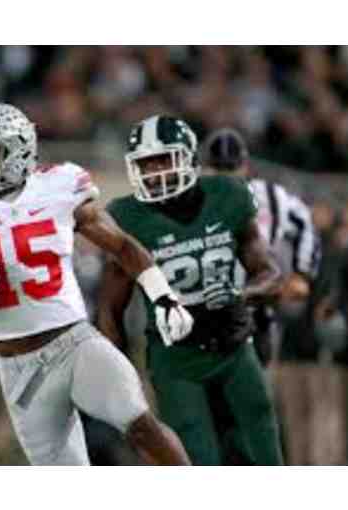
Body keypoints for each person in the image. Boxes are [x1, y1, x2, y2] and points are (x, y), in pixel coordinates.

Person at [0, 103, 193, 466]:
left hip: (74, 344)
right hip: (18, 369)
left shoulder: (58, 185)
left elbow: (122, 246)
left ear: (19, 150)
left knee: (139, 423)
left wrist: (164, 297)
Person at [97, 115, 284, 465]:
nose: (155, 172)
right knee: (197, 461)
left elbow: (271, 274)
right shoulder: (127, 216)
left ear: (189, 158)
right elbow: (110, 309)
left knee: (263, 454)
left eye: (163, 160)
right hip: (176, 360)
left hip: (234, 347)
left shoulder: (227, 195)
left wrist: (242, 295)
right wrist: (121, 376)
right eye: (146, 164)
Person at [200, 127, 320, 365]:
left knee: (255, 373)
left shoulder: (271, 196)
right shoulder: (191, 198)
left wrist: (302, 272)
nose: (225, 176)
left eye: (230, 168)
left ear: (245, 167)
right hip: (203, 305)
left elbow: (304, 221)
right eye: (218, 169)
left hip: (255, 303)